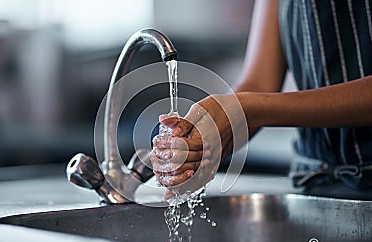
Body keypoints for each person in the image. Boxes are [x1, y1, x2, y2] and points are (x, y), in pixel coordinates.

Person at [150, 0, 372, 196]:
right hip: (314, 185)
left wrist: (246, 109)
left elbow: (251, 104)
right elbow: (259, 82)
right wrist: (202, 145)